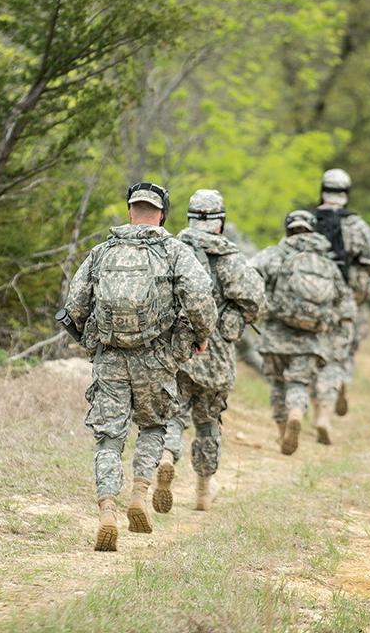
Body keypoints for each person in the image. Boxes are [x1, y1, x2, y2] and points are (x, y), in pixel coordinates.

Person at [64, 182, 217, 551]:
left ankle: (106, 510)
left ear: (130, 211)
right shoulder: (174, 251)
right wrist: (201, 335)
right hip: (156, 356)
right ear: (162, 214)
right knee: (152, 426)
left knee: (109, 438)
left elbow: (74, 306)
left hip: (110, 357)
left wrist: (92, 342)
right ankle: (139, 493)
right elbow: (199, 298)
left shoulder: (101, 252)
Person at [152, 190, 265, 513]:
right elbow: (256, 300)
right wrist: (232, 319)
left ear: (188, 218)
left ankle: (165, 456)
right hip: (215, 356)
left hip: (176, 352)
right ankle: (203, 488)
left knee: (173, 414)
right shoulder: (230, 257)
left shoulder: (170, 250)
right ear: (220, 222)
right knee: (208, 422)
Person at [251, 210, 354, 454]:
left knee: (277, 384)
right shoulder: (327, 262)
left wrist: (259, 307)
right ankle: (297, 412)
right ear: (312, 230)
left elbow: (247, 276)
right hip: (311, 339)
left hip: (275, 335)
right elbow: (343, 300)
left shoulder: (274, 255)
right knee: (298, 382)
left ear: (288, 230)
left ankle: (282, 431)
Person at [314, 168, 370, 415]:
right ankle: (340, 382)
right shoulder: (358, 226)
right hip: (352, 301)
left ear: (323, 190)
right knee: (346, 346)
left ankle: (316, 396)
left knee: (316, 347)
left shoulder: (308, 222)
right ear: (347, 193)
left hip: (314, 300)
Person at [222, 222, 265, 378]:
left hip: (228, 309)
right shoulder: (249, 249)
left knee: (244, 349)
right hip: (244, 308)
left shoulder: (225, 252)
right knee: (247, 349)